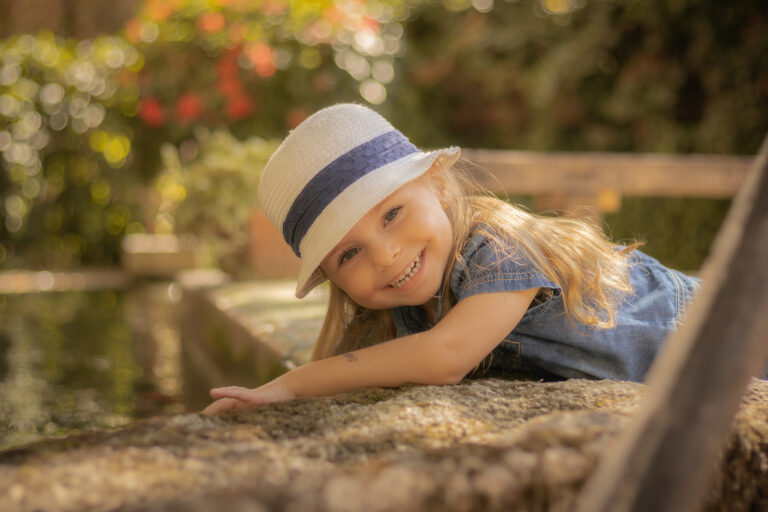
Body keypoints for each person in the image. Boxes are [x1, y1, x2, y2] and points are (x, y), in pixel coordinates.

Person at [202, 103, 701, 415]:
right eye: (349, 253)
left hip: (707, 331)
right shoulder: (403, 303)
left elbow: (447, 356)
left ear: (438, 185)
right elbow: (365, 365)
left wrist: (293, 384)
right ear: (332, 277)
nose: (386, 254)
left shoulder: (499, 243)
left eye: (391, 214)